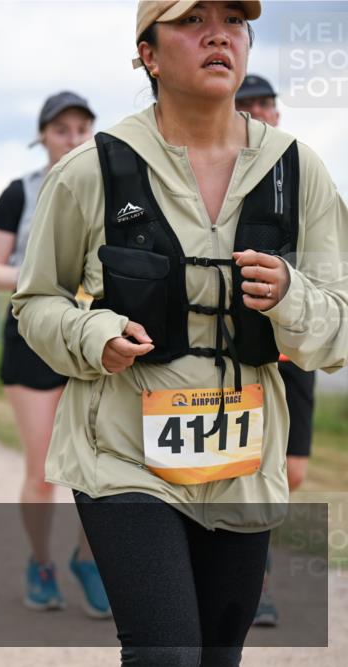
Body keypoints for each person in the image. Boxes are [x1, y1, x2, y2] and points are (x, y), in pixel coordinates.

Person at [11, 2, 347, 664]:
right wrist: (94, 333)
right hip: (123, 453)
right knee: (166, 654)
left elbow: (336, 327)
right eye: (193, 19)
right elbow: (36, 303)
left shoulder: (297, 171)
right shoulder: (90, 171)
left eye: (234, 20)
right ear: (149, 54)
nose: (219, 33)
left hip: (242, 460)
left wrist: (290, 295)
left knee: (218, 655)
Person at [0, 92, 110, 619]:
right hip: (32, 343)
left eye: (82, 128)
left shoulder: (113, 188)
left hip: (95, 342)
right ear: (42, 136)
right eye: (62, 129)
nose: (73, 138)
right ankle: (40, 564)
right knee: (43, 472)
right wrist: (48, 280)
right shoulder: (20, 192)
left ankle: (88, 559)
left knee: (101, 470)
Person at [235, 72, 312, 628]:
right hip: (240, 354)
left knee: (293, 471)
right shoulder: (220, 176)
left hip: (294, 356)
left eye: (268, 104)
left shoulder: (302, 174)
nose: (262, 112)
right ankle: (255, 582)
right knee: (241, 466)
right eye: (250, 104)